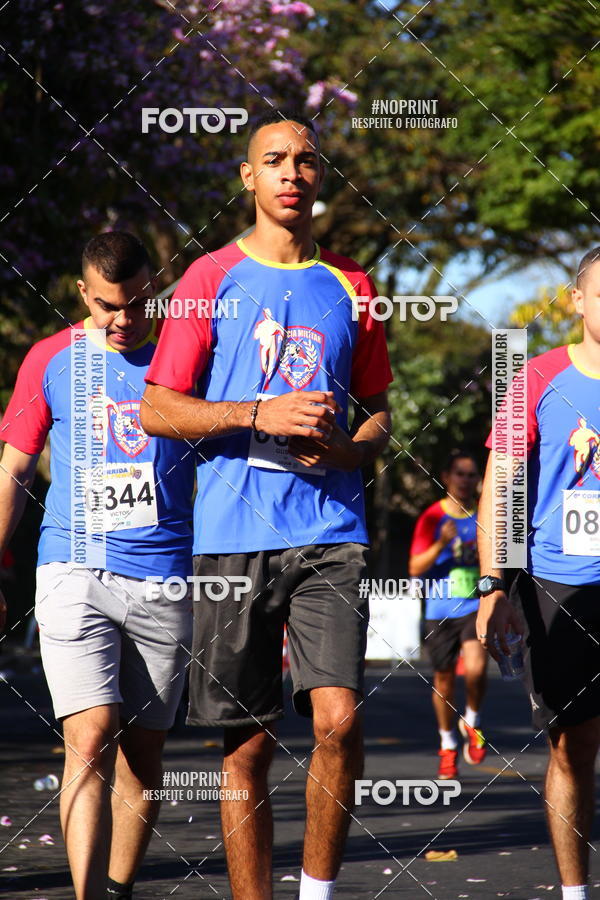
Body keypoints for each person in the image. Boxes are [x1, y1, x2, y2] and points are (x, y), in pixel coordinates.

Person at [140, 111, 392, 900]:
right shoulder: (209, 278)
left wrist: (350, 448)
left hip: (331, 531)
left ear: (320, 177)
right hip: (233, 535)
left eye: (306, 160)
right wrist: (258, 412)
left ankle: (317, 892)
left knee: (339, 722)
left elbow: (381, 414)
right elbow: (157, 408)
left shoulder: (353, 283)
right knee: (247, 747)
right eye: (274, 159)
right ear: (249, 177)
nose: (292, 172)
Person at [0, 232, 195, 900]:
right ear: (83, 293)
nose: (123, 318)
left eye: (137, 303)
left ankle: (117, 890)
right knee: (89, 737)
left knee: (143, 753)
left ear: (154, 290)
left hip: (164, 575)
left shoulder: (185, 359)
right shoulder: (51, 359)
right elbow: (15, 468)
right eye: (109, 305)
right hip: (72, 567)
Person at [476, 246, 600, 900]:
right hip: (560, 584)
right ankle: (575, 892)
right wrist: (493, 585)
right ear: (577, 301)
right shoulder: (538, 376)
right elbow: (499, 484)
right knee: (572, 746)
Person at [409, 451, 487, 780]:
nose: (466, 481)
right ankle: (447, 742)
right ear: (446, 477)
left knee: (477, 669)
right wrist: (441, 544)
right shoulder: (432, 517)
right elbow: (414, 567)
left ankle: (472, 720)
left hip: (474, 606)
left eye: (471, 475)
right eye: (460, 474)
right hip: (439, 609)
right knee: (443, 682)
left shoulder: (484, 514)